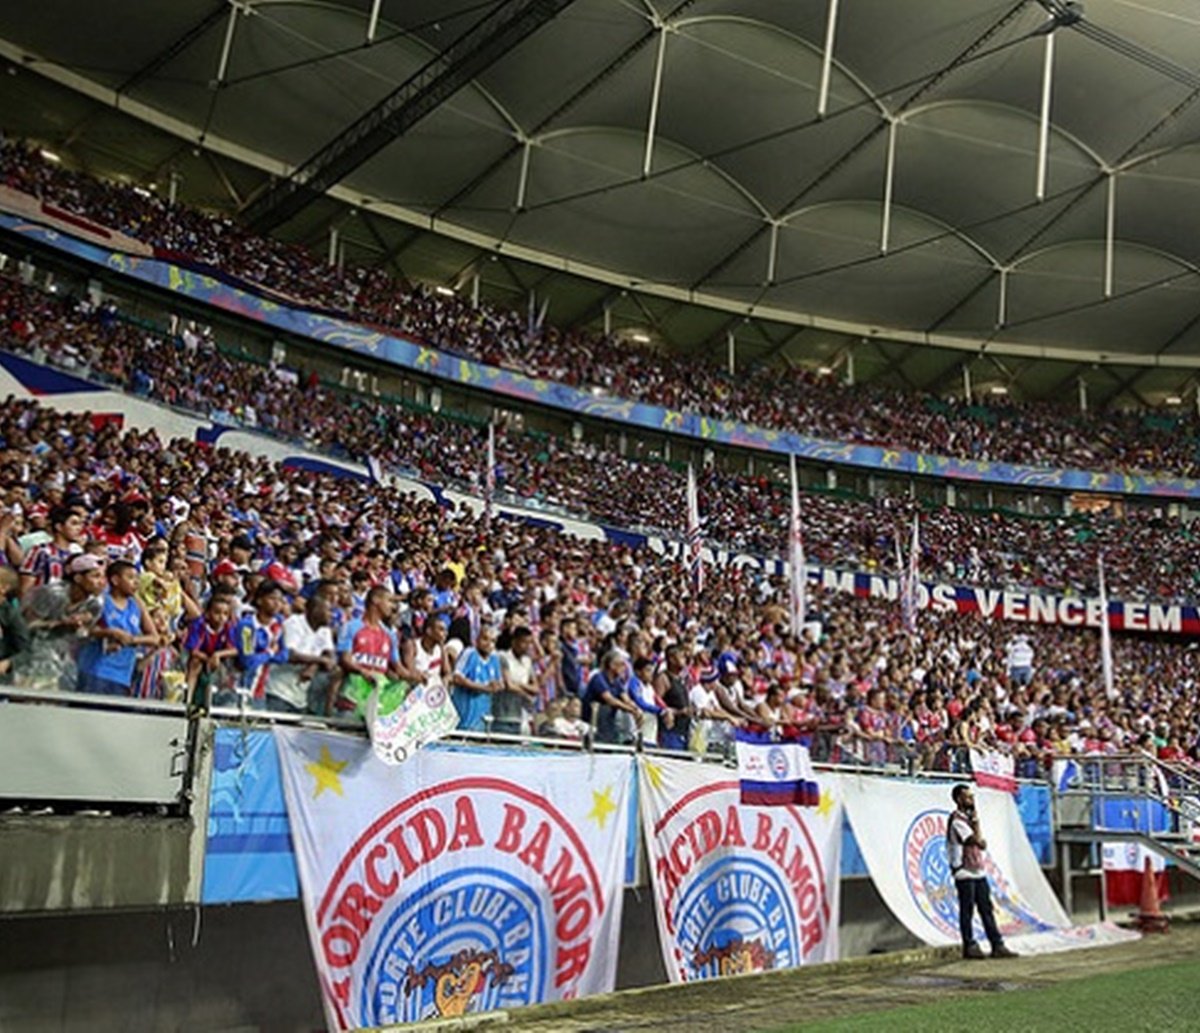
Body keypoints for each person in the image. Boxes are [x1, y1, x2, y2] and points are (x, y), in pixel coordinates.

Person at [947, 784, 1018, 960]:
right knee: (968, 909)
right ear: (958, 799)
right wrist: (977, 824)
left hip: (977, 869)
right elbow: (976, 841)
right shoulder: (957, 821)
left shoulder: (966, 820)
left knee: (986, 908)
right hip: (964, 870)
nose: (971, 800)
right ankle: (969, 944)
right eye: (968, 797)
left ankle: (997, 944)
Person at [450, 625, 503, 731]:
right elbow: (457, 678)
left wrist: (495, 687)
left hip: (482, 719)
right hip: (463, 718)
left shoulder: (494, 659)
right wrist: (485, 688)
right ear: (476, 639)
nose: (488, 644)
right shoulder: (469, 653)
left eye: (492, 641)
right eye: (485, 639)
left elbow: (500, 684)